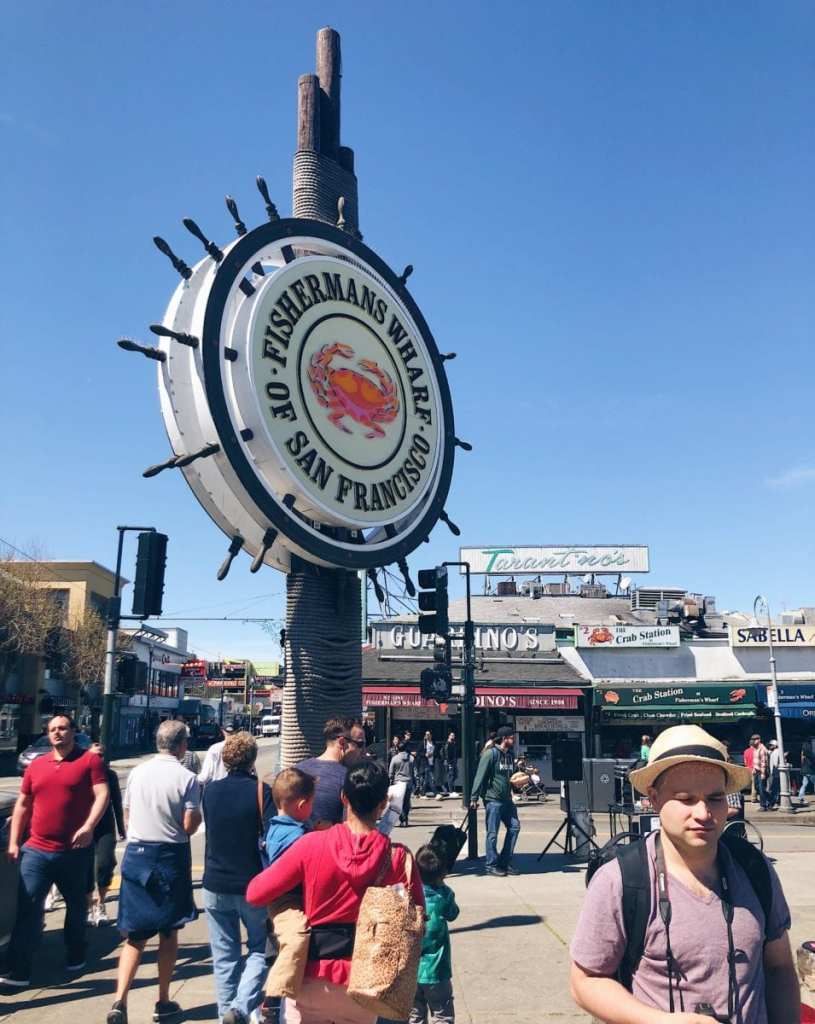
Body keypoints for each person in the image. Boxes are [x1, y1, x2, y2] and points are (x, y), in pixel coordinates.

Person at [570, 724, 799, 1023]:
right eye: (686, 799)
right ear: (654, 799)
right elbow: (585, 981)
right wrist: (661, 1021)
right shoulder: (621, 881)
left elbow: (779, 967)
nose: (703, 813)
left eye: (715, 798)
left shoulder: (755, 870)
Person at [246, 761, 425, 1024]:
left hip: (310, 976)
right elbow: (420, 919)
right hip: (365, 981)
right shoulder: (398, 859)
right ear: (383, 804)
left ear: (343, 798)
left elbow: (255, 893)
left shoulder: (310, 844)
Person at [0, 715, 109, 988]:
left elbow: (103, 794)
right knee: (28, 907)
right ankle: (19, 969)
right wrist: (14, 842)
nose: (57, 733)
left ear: (73, 731)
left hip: (73, 851)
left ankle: (75, 952)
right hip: (36, 849)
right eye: (52, 730)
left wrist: (88, 827)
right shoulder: (37, 766)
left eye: (62, 728)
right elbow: (23, 804)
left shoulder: (89, 761)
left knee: (76, 905)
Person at [107, 719, 202, 1024]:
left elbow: (127, 813)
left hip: (136, 854)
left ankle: (119, 1000)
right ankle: (162, 1000)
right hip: (169, 856)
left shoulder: (137, 773)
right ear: (182, 745)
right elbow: (189, 826)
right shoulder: (187, 778)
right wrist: (195, 818)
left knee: (134, 935)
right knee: (169, 931)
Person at [201, 731, 272, 1024]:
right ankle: (241, 1007)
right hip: (251, 882)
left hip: (214, 882)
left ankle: (225, 1015)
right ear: (252, 759)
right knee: (260, 949)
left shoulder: (211, 791)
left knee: (224, 957)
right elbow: (269, 834)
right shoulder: (260, 791)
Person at [263, 768, 315, 1007]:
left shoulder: (276, 828)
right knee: (298, 936)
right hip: (288, 899)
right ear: (303, 805)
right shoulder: (297, 837)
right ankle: (273, 997)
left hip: (278, 897)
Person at [409, 845, 459, 1024]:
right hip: (437, 971)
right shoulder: (443, 895)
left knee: (415, 1015)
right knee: (442, 1015)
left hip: (411, 970)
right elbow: (453, 914)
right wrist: (443, 885)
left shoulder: (409, 895)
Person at [295, 717, 366, 829]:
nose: (363, 750)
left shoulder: (296, 771)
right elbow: (353, 830)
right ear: (342, 742)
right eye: (360, 744)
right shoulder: (350, 780)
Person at [470, 725, 521, 877]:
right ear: (504, 738)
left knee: (515, 827)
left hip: (507, 799)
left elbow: (511, 777)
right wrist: (474, 797)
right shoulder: (490, 754)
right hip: (493, 800)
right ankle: (491, 864)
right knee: (492, 833)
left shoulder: (510, 755)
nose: (514, 739)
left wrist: (518, 782)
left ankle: (504, 861)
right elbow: (480, 775)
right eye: (512, 737)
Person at [87, 742, 126, 927]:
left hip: (105, 826)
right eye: (95, 755)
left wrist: (121, 828)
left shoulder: (110, 775)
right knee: (85, 868)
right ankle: (88, 907)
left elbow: (117, 802)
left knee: (105, 864)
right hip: (84, 827)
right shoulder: (81, 774)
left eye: (101, 755)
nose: (98, 758)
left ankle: (100, 903)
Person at [389, 740, 415, 827]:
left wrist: (391, 782)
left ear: (397, 748)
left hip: (398, 782)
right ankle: (406, 819)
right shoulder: (411, 758)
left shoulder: (395, 758)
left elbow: (391, 772)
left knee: (399, 803)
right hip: (408, 782)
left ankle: (402, 820)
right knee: (406, 802)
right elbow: (414, 772)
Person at [751, 734, 771, 811]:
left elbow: (763, 762)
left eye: (754, 739)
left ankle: (763, 805)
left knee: (761, 788)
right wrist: (754, 769)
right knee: (757, 787)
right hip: (756, 770)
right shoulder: (755, 749)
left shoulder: (762, 749)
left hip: (762, 771)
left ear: (759, 740)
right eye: (752, 739)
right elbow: (755, 760)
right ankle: (771, 799)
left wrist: (763, 773)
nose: (752, 741)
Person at [441, 732, 458, 797]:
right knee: (450, 776)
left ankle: (445, 787)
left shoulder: (453, 743)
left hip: (453, 762)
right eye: (451, 735)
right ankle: (451, 791)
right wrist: (449, 763)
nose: (453, 736)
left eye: (454, 735)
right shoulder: (447, 744)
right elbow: (447, 754)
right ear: (449, 736)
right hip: (449, 762)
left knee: (455, 775)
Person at [768, 739, 782, 809]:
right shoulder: (776, 751)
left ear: (775, 745)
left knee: (774, 788)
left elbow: (775, 764)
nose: (770, 746)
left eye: (771, 745)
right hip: (776, 771)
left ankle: (774, 802)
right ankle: (776, 801)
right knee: (776, 787)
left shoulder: (776, 752)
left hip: (775, 771)